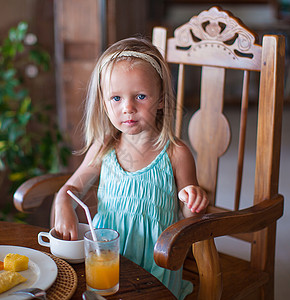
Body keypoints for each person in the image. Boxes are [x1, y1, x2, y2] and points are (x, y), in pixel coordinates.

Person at [52, 37, 208, 299]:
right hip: (105, 261)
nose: (128, 108)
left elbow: (189, 225)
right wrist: (62, 204)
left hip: (157, 267)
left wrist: (192, 202)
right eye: (116, 98)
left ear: (160, 99)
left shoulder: (176, 153)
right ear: (104, 102)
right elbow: (72, 187)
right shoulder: (104, 147)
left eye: (140, 96)